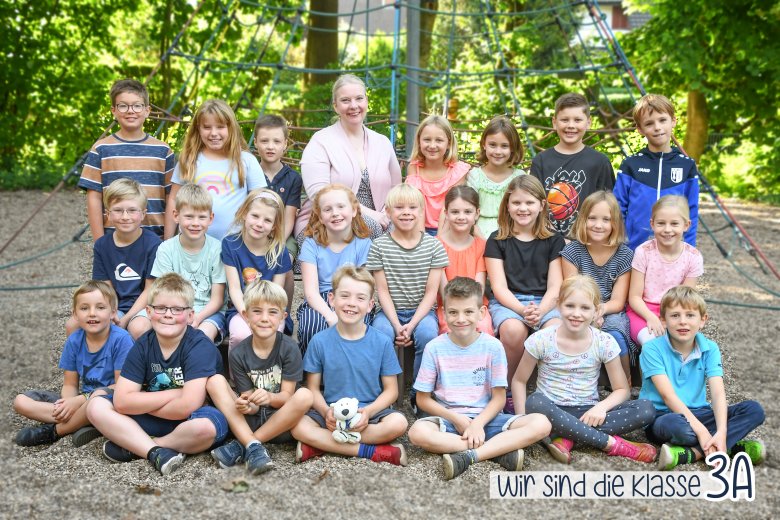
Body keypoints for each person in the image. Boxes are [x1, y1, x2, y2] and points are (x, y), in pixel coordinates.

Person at [408, 277, 551, 480]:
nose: (461, 319)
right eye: (453, 312)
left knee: (541, 424)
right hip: (450, 420)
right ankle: (497, 450)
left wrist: (477, 424)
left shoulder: (493, 346)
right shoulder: (434, 347)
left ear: (481, 313)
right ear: (443, 313)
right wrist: (457, 419)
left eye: (468, 312)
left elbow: (499, 398)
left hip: (488, 419)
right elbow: (423, 399)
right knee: (417, 433)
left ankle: (470, 455)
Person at [85, 273, 228, 476]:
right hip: (157, 415)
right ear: (149, 312)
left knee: (207, 428)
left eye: (177, 309)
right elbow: (122, 401)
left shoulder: (199, 345)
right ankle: (156, 452)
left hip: (191, 419)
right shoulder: (144, 344)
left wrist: (141, 402)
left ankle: (143, 445)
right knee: (96, 405)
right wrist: (175, 393)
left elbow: (187, 406)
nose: (168, 314)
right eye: (161, 308)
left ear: (190, 315)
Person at [514, 275, 657, 464]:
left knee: (645, 408)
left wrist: (601, 407)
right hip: (549, 412)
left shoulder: (604, 342)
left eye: (585, 308)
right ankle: (612, 444)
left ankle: (567, 437)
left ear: (596, 311)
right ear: (558, 305)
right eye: (570, 306)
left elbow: (622, 390)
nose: (576, 313)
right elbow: (519, 381)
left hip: (589, 413)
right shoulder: (541, 340)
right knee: (534, 402)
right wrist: (522, 421)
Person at [291, 266, 409, 466]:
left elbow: (391, 392)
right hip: (331, 412)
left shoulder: (381, 342)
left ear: (371, 305)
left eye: (360, 298)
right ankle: (371, 451)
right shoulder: (319, 341)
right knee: (297, 426)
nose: (351, 304)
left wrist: (369, 413)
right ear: (331, 299)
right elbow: (312, 388)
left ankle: (321, 445)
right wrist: (325, 411)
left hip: (369, 413)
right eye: (344, 296)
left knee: (399, 423)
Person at [640, 286, 766, 470]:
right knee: (676, 427)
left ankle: (695, 452)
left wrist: (722, 431)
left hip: (700, 413)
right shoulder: (652, 348)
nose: (683, 322)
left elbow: (717, 393)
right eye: (675, 315)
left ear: (702, 320)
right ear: (663, 320)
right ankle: (733, 447)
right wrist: (701, 431)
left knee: (754, 410)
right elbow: (668, 397)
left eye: (690, 315)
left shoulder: (710, 348)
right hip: (664, 416)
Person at [207, 280, 313, 475]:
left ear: (283, 317)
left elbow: (287, 396)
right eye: (257, 311)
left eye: (273, 312)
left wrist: (270, 398)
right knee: (215, 381)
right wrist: (246, 405)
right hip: (251, 419)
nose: (265, 318)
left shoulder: (289, 348)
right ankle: (254, 446)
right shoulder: (238, 353)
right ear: (246, 316)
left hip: (281, 420)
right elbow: (248, 399)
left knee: (305, 395)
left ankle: (246, 444)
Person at [13, 281, 133, 447]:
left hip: (107, 400)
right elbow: (70, 384)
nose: (92, 313)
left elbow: (121, 387)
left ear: (113, 312)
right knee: (21, 401)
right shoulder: (74, 340)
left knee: (95, 400)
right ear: (75, 314)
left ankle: (56, 431)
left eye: (100, 307)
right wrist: (67, 405)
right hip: (80, 400)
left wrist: (79, 401)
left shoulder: (121, 340)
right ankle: (81, 422)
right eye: (84, 308)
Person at [366, 184, 448, 409]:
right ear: (389, 212)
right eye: (399, 207)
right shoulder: (380, 246)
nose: (406, 212)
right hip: (389, 311)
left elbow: (432, 292)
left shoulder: (433, 246)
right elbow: (381, 291)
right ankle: (385, 395)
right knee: (381, 335)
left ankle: (418, 394)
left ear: (421, 211)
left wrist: (410, 325)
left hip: (421, 313)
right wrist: (396, 323)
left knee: (429, 335)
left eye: (413, 207)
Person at [295, 74, 402, 241]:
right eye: (345, 100)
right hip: (327, 221)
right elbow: (319, 194)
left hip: (381, 218)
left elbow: (397, 189)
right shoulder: (320, 141)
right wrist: (370, 214)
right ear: (336, 106)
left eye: (359, 98)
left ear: (366, 101)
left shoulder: (382, 142)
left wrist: (386, 214)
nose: (354, 106)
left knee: (404, 229)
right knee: (370, 228)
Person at [484, 175, 563, 397]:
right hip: (509, 302)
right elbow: (498, 287)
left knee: (554, 332)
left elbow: (556, 286)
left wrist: (541, 310)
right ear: (507, 205)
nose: (523, 208)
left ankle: (549, 393)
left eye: (529, 202)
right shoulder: (497, 240)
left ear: (541, 205)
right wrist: (522, 310)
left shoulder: (554, 240)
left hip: (547, 302)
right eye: (516, 202)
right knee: (512, 331)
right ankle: (506, 389)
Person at [78, 79, 175, 240]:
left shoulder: (163, 150)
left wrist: (168, 240)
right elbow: (94, 197)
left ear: (147, 110)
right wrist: (100, 241)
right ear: (113, 111)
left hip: (155, 238)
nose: (130, 111)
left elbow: (170, 196)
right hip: (114, 238)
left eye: (137, 105)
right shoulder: (101, 149)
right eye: (123, 106)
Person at [165, 99, 266, 240]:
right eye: (207, 127)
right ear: (198, 129)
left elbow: (261, 203)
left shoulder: (246, 160)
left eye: (220, 127)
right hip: (191, 245)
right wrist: (167, 241)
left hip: (234, 246)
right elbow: (174, 199)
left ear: (231, 128)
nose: (213, 133)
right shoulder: (189, 160)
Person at [561, 191, 633, 384]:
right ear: (583, 220)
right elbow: (570, 292)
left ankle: (625, 382)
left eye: (606, 219)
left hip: (609, 310)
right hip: (578, 307)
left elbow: (618, 301)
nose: (598, 225)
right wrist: (589, 312)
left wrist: (601, 310)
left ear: (615, 224)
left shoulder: (625, 255)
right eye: (592, 218)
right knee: (574, 328)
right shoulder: (572, 251)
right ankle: (577, 380)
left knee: (616, 332)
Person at [614, 94, 699, 250]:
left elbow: (691, 212)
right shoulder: (630, 165)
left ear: (673, 121)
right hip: (634, 249)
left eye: (662, 120)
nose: (657, 127)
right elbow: (617, 208)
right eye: (649, 123)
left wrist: (689, 250)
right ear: (640, 129)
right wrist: (619, 248)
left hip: (673, 252)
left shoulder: (687, 165)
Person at [296, 184, 372, 352]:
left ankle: (350, 374)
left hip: (351, 297)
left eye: (340, 207)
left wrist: (344, 308)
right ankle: (312, 374)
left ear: (353, 211)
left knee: (358, 327)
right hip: (319, 300)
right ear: (321, 217)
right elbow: (310, 292)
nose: (335, 213)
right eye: (328, 209)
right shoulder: (311, 244)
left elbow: (362, 287)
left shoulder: (363, 245)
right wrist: (330, 316)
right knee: (312, 325)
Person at [83, 178, 161, 340]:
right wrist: (111, 312)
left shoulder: (153, 244)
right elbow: (106, 287)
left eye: (132, 210)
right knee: (84, 325)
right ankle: (94, 363)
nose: (125, 217)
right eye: (118, 210)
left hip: (144, 306)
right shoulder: (102, 245)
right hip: (114, 304)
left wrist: (125, 319)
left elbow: (150, 290)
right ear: (108, 214)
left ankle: (139, 364)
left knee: (138, 328)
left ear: (143, 214)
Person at [530, 93, 615, 238]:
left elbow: (609, 207)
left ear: (588, 122)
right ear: (554, 122)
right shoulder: (541, 161)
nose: (571, 125)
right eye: (564, 120)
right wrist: (555, 239)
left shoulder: (599, 162)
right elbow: (534, 205)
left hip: (587, 243)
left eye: (577, 120)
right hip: (547, 242)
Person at [150, 183, 226, 342]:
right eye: (189, 216)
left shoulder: (217, 250)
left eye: (202, 217)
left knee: (202, 336)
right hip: (173, 309)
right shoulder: (166, 249)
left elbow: (217, 299)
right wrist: (179, 317)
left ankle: (201, 367)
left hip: (208, 312)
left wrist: (197, 318)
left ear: (211, 218)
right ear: (176, 215)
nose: (195, 223)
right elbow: (163, 294)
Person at [222, 189, 293, 353]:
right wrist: (248, 316)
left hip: (272, 310)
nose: (260, 223)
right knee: (241, 335)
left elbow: (277, 293)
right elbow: (234, 288)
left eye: (267, 220)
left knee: (271, 334)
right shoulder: (231, 245)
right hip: (241, 309)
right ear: (245, 214)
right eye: (255, 216)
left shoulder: (279, 250)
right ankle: (237, 377)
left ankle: (267, 375)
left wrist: (264, 317)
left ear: (274, 225)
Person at [627, 195, 703, 346]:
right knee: (652, 343)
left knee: (684, 343)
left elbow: (686, 299)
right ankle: (648, 370)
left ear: (686, 225)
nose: (667, 229)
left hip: (675, 311)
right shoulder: (644, 252)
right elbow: (634, 297)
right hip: (643, 311)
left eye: (674, 223)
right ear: (652, 224)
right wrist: (651, 317)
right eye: (661, 223)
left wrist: (672, 320)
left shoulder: (693, 257)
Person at [254, 114, 302, 316]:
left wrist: (276, 244)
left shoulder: (292, 178)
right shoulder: (251, 171)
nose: (270, 146)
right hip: (254, 232)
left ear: (285, 144)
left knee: (283, 263)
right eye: (264, 141)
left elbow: (289, 217)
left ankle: (284, 315)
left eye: (276, 141)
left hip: (282, 235)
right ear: (255, 143)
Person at [435, 186, 494, 336]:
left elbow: (479, 287)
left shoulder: (481, 245)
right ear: (446, 214)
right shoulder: (436, 245)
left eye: (467, 212)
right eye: (455, 212)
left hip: (475, 307)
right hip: (448, 307)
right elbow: (444, 290)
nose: (461, 217)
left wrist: (469, 312)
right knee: (449, 329)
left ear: (477, 213)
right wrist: (456, 312)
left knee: (484, 327)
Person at [405, 115, 471, 235]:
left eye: (439, 140)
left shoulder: (457, 171)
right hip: (419, 227)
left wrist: (440, 240)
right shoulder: (414, 168)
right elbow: (417, 204)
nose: (432, 145)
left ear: (448, 143)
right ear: (419, 141)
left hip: (449, 229)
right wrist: (422, 238)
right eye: (427, 139)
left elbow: (450, 205)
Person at [466, 115, 525, 238]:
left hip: (512, 234)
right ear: (484, 144)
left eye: (504, 146)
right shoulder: (475, 176)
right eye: (493, 145)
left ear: (512, 148)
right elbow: (468, 213)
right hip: (477, 234)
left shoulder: (519, 177)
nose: (498, 151)